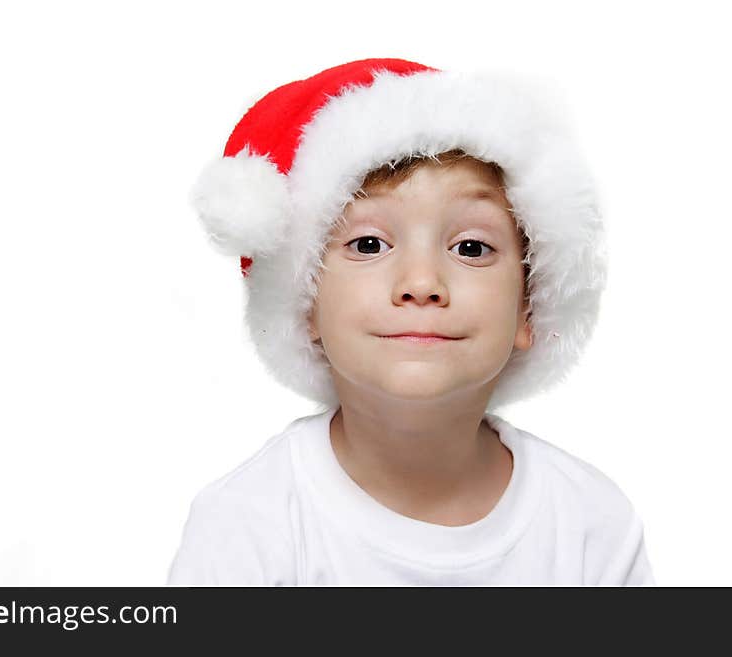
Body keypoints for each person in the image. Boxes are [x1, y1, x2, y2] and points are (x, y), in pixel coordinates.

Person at [166, 58, 655, 586]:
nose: (422, 282)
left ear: (530, 306)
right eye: (368, 244)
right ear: (305, 302)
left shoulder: (590, 525)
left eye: (471, 247)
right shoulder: (249, 524)